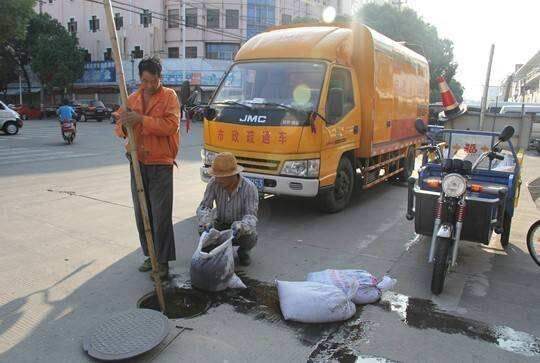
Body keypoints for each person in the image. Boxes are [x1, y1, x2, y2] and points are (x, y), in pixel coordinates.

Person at [114, 56, 181, 280]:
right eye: (145, 81)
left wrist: (141, 119)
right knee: (142, 212)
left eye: (154, 81)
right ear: (140, 78)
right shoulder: (131, 98)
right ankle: (149, 255)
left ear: (160, 78)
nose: (150, 85)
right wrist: (125, 124)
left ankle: (162, 263)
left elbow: (171, 126)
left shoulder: (169, 96)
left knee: (161, 215)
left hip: (161, 163)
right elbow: (119, 128)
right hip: (137, 161)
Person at [197, 152, 259, 266]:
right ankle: (215, 251)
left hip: (239, 229)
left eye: (221, 177)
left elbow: (251, 217)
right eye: (216, 176)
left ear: (232, 175)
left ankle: (243, 251)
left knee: (251, 235)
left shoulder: (249, 188)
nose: (218, 179)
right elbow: (204, 206)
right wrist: (205, 220)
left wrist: (241, 226)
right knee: (202, 229)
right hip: (220, 223)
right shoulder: (214, 183)